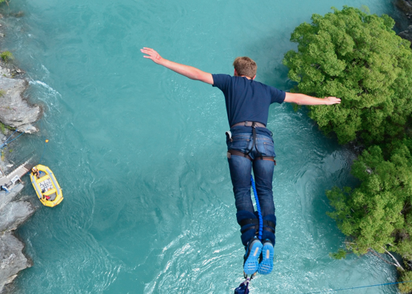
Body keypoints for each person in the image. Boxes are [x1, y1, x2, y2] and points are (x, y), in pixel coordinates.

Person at [141, 47, 341, 276]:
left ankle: (251, 240)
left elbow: (196, 73)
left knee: (243, 192)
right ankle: (268, 242)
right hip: (265, 143)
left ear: (235, 72)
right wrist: (325, 101)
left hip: (240, 141)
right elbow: (296, 98)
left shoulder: (229, 82)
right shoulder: (267, 90)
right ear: (254, 76)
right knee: (265, 192)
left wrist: (162, 60)